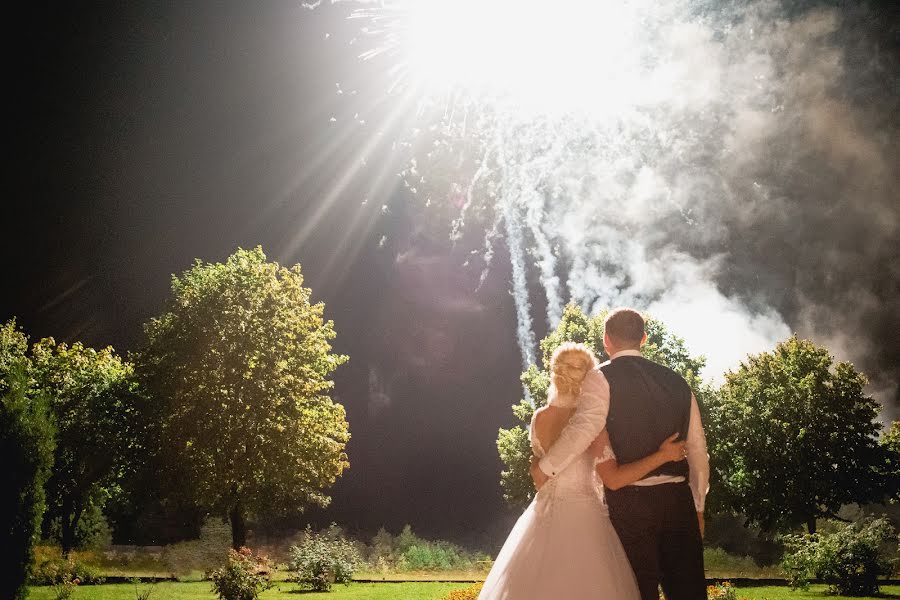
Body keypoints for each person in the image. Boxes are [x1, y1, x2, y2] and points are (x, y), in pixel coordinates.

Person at [479, 342, 688, 600]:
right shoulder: (592, 423)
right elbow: (613, 478)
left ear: (556, 373)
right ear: (591, 378)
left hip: (542, 515)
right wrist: (664, 455)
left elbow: (537, 473)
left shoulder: (540, 418)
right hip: (585, 517)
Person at [531, 308, 710, 600]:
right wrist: (699, 505)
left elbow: (584, 427)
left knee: (637, 591)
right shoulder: (677, 381)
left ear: (606, 340)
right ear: (644, 338)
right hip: (678, 503)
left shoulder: (600, 378)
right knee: (688, 592)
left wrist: (547, 467)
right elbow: (698, 449)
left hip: (631, 505)